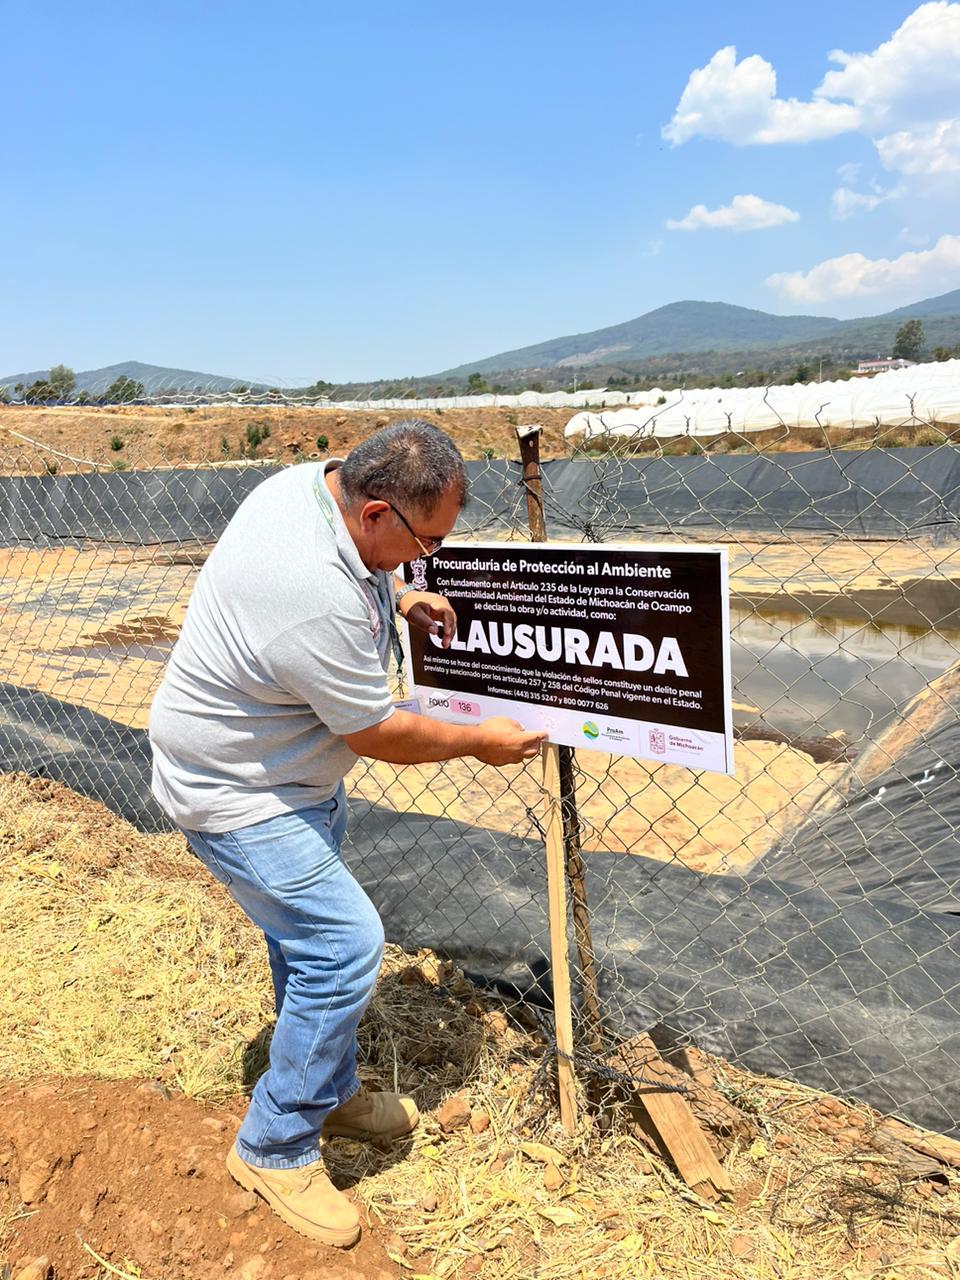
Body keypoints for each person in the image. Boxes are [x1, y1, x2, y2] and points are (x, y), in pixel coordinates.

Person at [148, 420, 545, 1247]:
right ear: (373, 513)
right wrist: (482, 739)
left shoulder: (306, 487)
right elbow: (379, 733)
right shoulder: (306, 591)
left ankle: (326, 1092)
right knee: (344, 944)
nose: (428, 558)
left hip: (281, 770)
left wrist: (398, 594)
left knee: (303, 944)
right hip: (237, 789)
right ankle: (275, 1144)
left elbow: (354, 584)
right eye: (424, 543)